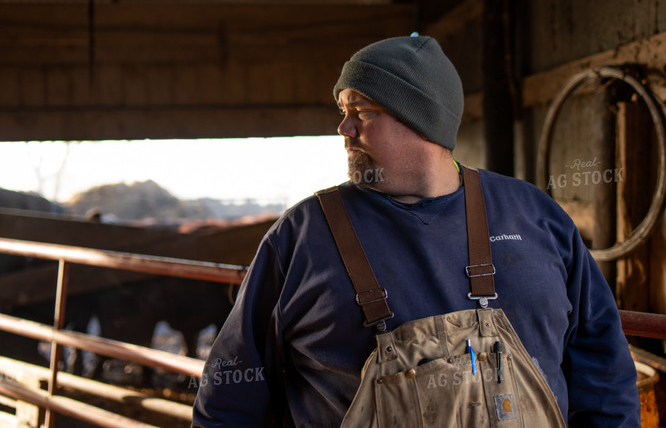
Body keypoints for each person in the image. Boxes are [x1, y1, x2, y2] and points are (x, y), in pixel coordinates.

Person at [192, 35, 641, 427]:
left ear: (419, 117)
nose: (343, 127)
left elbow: (603, 368)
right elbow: (230, 397)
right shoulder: (303, 235)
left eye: (360, 110)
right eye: (343, 110)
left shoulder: (534, 215)